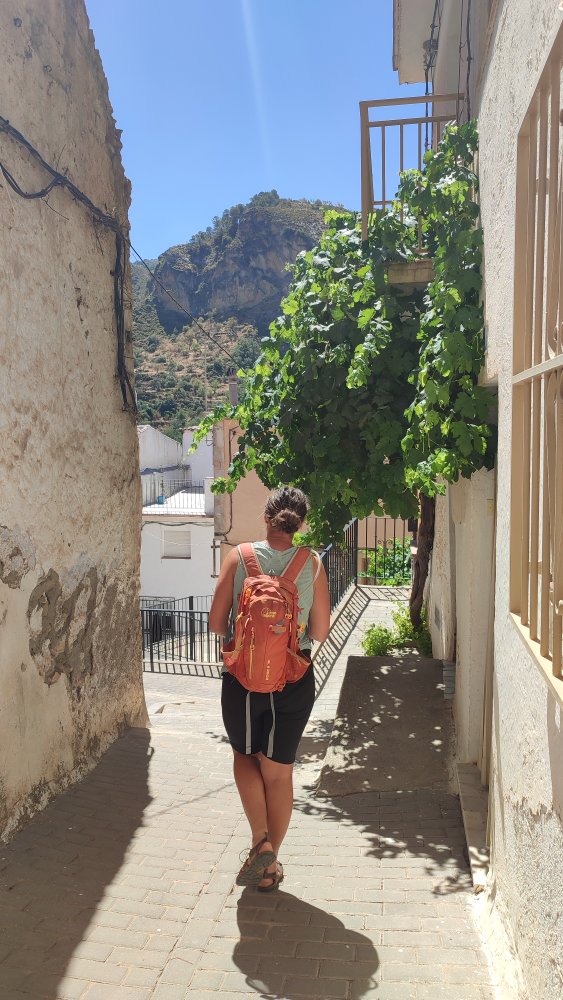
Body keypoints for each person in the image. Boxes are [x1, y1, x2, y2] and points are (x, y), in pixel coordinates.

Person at [209, 486, 331, 891]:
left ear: (266, 518)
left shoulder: (239, 556)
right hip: (293, 680)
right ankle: (268, 868)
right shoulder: (311, 563)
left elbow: (216, 623)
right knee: (279, 774)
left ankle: (261, 842)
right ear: (300, 524)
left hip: (242, 680)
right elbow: (319, 631)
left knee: (244, 756)